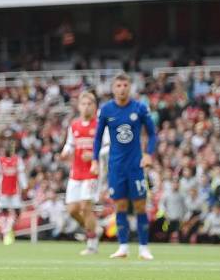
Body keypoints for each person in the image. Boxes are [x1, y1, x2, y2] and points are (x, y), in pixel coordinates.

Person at [91, 72, 157, 260]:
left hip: (135, 165)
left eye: (125, 85)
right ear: (113, 88)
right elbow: (97, 137)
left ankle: (144, 248)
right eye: (118, 86)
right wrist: (95, 160)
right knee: (119, 205)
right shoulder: (106, 110)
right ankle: (123, 247)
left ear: (130, 87)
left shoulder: (140, 108)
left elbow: (152, 134)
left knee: (140, 205)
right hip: (116, 166)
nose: (122, 89)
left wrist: (148, 154)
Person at [61, 91, 109, 255]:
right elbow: (70, 144)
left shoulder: (101, 125)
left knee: (85, 206)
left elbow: (109, 146)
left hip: (93, 171)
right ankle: (95, 228)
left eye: (90, 104)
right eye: (83, 104)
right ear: (79, 106)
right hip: (76, 171)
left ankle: (92, 243)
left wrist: (95, 155)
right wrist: (65, 151)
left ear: (95, 106)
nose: (86, 107)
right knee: (72, 210)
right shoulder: (74, 125)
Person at [0, 138, 27, 245]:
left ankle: (8, 229)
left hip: (15, 190)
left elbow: (21, 174)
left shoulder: (17, 160)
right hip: (3, 191)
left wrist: (24, 185)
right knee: (4, 211)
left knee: (17, 212)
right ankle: (6, 231)